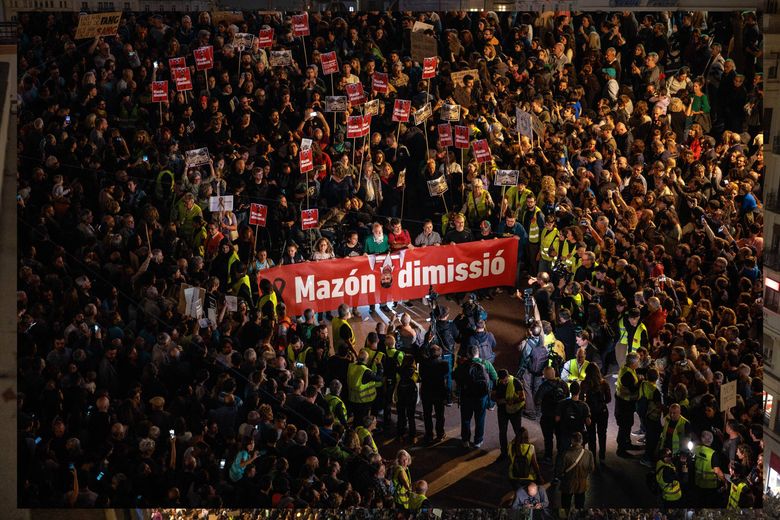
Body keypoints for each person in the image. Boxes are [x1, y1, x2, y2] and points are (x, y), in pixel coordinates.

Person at [453, 344, 497, 449]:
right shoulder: (486, 363)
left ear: (468, 354)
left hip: (466, 396)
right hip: (481, 397)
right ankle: (478, 441)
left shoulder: (463, 365)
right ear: (478, 353)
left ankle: (465, 440)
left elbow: (454, 376)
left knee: (466, 419)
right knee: (480, 419)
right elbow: (495, 377)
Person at [554, 381, 590, 477]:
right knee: (579, 454)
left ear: (570, 391)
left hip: (565, 432)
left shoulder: (562, 403)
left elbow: (557, 418)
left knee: (561, 454)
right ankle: (579, 473)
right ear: (579, 391)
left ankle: (557, 475)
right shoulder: (584, 405)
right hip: (578, 434)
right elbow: (588, 422)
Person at [535, 366, 569, 462]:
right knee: (560, 436)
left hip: (548, 416)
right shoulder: (563, 384)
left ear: (545, 375)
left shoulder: (544, 386)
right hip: (560, 416)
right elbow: (567, 396)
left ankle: (548, 457)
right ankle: (561, 456)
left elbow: (537, 400)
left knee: (548, 438)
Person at [615, 352, 643, 458]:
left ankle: (627, 444)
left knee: (627, 425)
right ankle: (621, 450)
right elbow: (633, 389)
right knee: (624, 427)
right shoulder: (628, 374)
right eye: (638, 360)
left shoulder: (627, 369)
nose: (639, 362)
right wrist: (640, 382)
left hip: (625, 404)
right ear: (633, 363)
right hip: (624, 405)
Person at [559, 432, 595, 514]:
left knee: (565, 507)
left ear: (572, 441)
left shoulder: (566, 454)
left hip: (567, 484)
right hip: (582, 484)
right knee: (579, 507)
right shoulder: (589, 454)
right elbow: (592, 469)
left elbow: (561, 470)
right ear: (581, 441)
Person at [493, 369, 525, 460]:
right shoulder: (497, 382)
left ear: (508, 376)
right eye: (502, 380)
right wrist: (497, 400)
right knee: (502, 432)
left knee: (517, 431)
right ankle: (504, 453)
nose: (504, 382)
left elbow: (522, 397)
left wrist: (513, 401)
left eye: (505, 380)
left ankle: (520, 451)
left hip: (515, 411)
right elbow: (493, 395)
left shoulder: (515, 382)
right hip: (502, 410)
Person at [420, 344, 448, 444]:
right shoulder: (444, 363)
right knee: (440, 414)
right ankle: (440, 433)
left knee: (427, 414)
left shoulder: (424, 363)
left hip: (426, 392)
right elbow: (446, 374)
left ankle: (429, 434)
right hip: (439, 392)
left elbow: (421, 375)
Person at [347, 349, 383, 427]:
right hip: (363, 401)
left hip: (352, 399)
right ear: (366, 360)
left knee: (356, 419)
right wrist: (379, 365)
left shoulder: (351, 366)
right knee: (361, 421)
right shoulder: (366, 371)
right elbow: (379, 378)